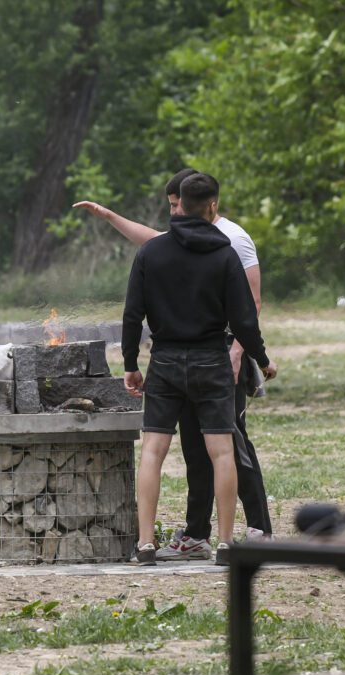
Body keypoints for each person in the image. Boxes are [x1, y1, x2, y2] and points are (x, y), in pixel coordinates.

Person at [75, 168, 274, 560]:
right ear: (212, 206)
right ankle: (225, 542)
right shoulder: (224, 254)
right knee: (221, 453)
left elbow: (132, 314)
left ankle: (145, 543)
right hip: (211, 362)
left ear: (178, 204)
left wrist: (131, 362)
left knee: (153, 451)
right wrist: (262, 359)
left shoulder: (152, 252)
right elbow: (245, 318)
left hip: (164, 361)